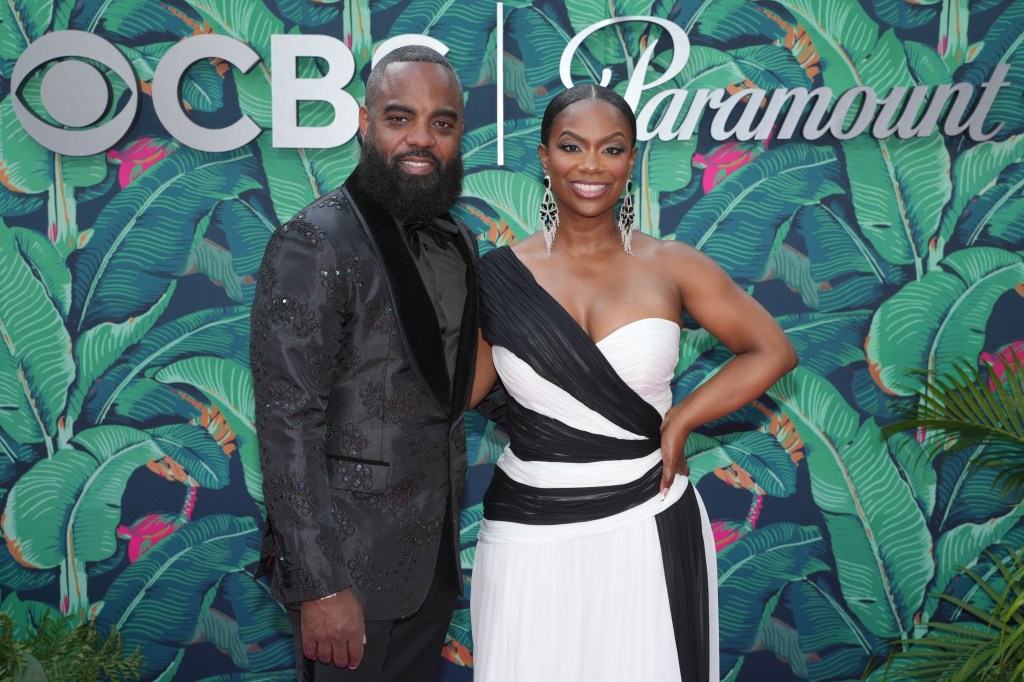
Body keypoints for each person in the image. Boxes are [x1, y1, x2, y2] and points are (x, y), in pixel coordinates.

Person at [468, 84, 799, 682]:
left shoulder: (671, 265)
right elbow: (452, 395)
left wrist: (682, 419)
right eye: (572, 146)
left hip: (649, 516)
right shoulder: (496, 278)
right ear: (544, 157)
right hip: (527, 530)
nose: (591, 165)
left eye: (611, 149)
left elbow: (771, 349)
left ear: (631, 160)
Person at [250, 46, 478, 681]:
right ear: (363, 121)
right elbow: (287, 419)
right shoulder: (316, 239)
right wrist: (318, 586)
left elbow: (450, 385)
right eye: (399, 118)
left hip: (430, 563)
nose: (421, 139)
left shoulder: (459, 239)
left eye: (442, 123)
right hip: (348, 573)